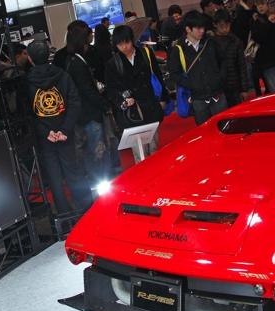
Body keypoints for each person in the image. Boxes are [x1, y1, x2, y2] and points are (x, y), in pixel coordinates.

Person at [21, 41, 91, 214]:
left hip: (45, 138)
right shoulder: (63, 75)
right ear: (48, 55)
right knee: (74, 171)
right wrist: (65, 129)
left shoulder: (26, 82)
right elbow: (75, 102)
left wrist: (47, 132)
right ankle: (87, 211)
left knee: (54, 178)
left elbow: (27, 113)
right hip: (66, 134)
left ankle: (64, 216)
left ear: (30, 59)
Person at [54, 21, 111, 185]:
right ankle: (99, 183)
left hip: (79, 113)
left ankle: (94, 181)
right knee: (97, 150)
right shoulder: (77, 63)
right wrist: (104, 104)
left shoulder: (70, 60)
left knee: (87, 151)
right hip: (89, 112)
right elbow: (86, 89)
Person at [168, 11, 227, 125]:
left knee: (224, 127)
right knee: (204, 130)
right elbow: (174, 73)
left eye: (203, 27)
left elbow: (223, 61)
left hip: (218, 94)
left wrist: (220, 78)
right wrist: (191, 84)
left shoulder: (210, 42)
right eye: (198, 28)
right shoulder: (179, 49)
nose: (202, 31)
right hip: (197, 99)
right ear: (188, 29)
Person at [104, 24, 166, 130]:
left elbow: (157, 75)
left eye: (127, 42)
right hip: (131, 111)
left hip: (150, 104)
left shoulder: (145, 53)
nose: (124, 47)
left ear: (132, 40)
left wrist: (163, 98)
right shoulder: (113, 63)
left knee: (154, 138)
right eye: (120, 44)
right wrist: (122, 101)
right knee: (137, 139)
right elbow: (111, 89)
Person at [213, 9, 254, 105]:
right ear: (215, 25)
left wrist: (244, 89)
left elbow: (242, 65)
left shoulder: (236, 41)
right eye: (221, 26)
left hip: (235, 85)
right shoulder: (210, 42)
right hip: (219, 87)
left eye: (227, 26)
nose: (225, 29)